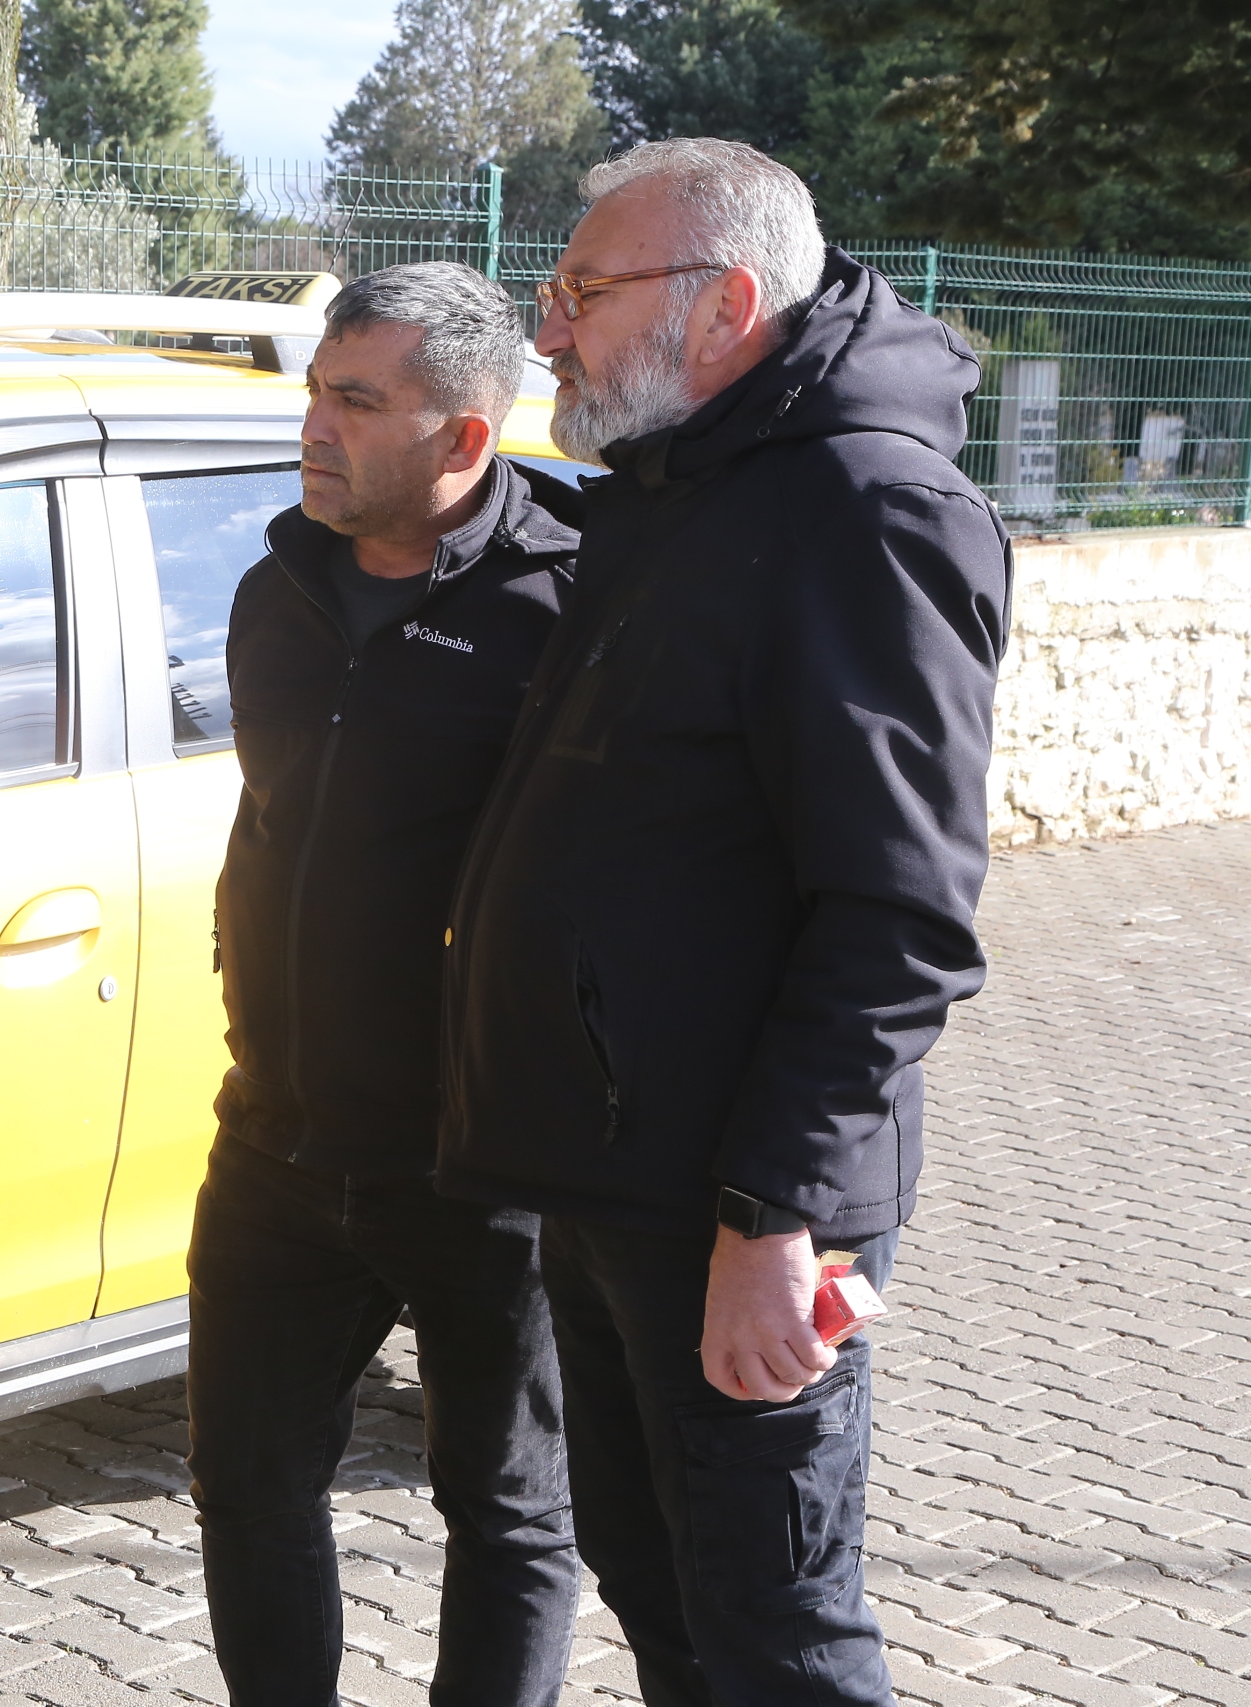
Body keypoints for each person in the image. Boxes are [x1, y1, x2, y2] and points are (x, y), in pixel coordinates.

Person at [440, 139, 1011, 1704]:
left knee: (775, 1633)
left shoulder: (863, 510)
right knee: (661, 1587)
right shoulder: (679, 488)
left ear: (723, 306)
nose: (548, 330)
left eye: (581, 293)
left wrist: (780, 1217)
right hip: (614, 1172)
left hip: (735, 1204)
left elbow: (896, 917)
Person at [188, 262, 584, 1707]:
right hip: (276, 1140)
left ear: (465, 436)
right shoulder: (275, 587)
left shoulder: (572, 606)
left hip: (483, 1162)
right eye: (315, 390)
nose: (315, 425)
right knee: (244, 1486)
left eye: (358, 401)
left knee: (507, 1508)